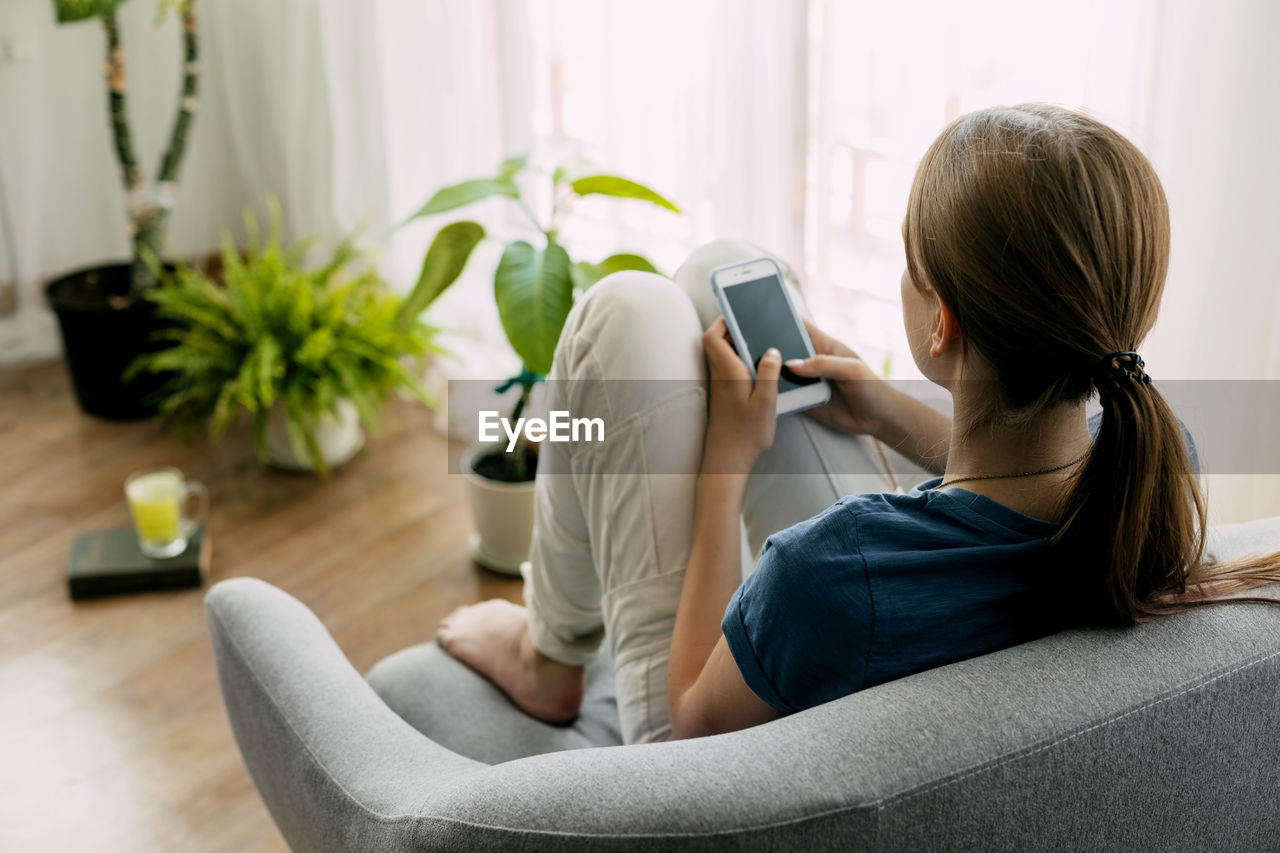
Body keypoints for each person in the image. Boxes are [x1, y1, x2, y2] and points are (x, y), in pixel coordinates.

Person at [436, 103, 1280, 744]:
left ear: (941, 323)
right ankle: (553, 636)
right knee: (721, 269)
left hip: (702, 761)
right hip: (893, 629)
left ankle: (552, 655)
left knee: (625, 311)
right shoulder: (1157, 468)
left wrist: (722, 465)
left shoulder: (832, 569)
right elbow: (1022, 493)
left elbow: (692, 727)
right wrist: (884, 411)